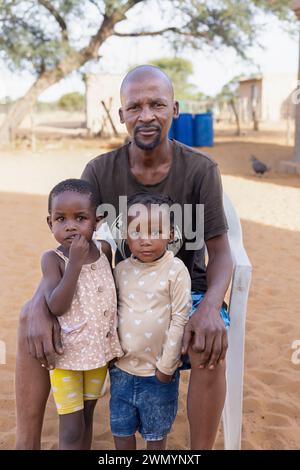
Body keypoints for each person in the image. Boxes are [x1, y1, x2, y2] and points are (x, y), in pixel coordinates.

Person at [15, 65, 233, 450]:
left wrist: (212, 304)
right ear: (121, 115)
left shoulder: (200, 171)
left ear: (175, 109)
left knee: (209, 338)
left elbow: (221, 253)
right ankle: (25, 444)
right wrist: (38, 301)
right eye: (135, 106)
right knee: (30, 321)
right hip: (115, 293)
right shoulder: (100, 171)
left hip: (188, 293)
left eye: (157, 104)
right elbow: (73, 246)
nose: (146, 115)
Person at [37, 178, 123, 449]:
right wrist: (73, 264)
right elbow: (56, 305)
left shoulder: (104, 251)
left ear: (96, 221)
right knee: (71, 428)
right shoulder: (53, 259)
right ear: (50, 223)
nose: (70, 225)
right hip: (67, 359)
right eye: (61, 219)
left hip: (97, 355)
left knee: (87, 417)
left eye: (80, 218)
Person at [110, 192, 191, 450]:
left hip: (157, 376)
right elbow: (111, 314)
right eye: (136, 232)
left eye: (156, 231)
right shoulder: (120, 271)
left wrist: (166, 369)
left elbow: (179, 319)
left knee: (155, 438)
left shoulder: (175, 270)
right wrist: (111, 356)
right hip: (121, 371)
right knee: (121, 433)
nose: (146, 240)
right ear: (125, 236)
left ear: (171, 234)